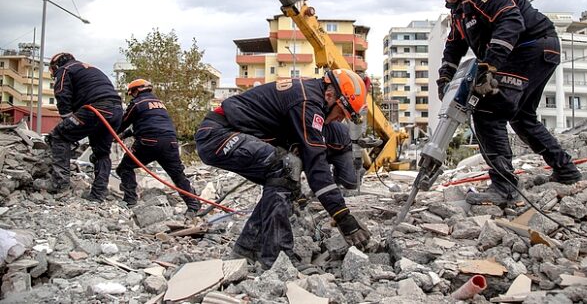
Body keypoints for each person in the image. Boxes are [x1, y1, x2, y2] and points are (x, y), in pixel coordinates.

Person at [418, 0, 582, 206]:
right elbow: (454, 46)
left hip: (532, 47)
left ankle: (504, 188)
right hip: (541, 50)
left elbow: (510, 19)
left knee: (487, 109)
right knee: (521, 116)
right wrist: (445, 78)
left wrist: (490, 65)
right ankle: (566, 171)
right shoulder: (459, 10)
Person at [195, 68, 370, 268]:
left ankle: (246, 250)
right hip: (217, 135)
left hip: (225, 134)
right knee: (285, 169)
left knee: (281, 178)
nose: (339, 120)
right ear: (330, 95)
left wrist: (296, 192)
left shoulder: (310, 96)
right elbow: (317, 166)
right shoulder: (308, 103)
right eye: (341, 113)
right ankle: (278, 259)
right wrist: (342, 216)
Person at [35, 53, 123, 202]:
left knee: (59, 135)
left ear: (56, 65)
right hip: (116, 110)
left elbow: (62, 96)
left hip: (96, 108)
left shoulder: (65, 70)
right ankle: (98, 194)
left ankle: (59, 183)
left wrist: (66, 124)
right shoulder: (90, 69)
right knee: (102, 153)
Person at [115, 79, 201, 217]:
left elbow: (123, 123)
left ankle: (130, 200)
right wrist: (125, 135)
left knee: (124, 168)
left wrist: (113, 133)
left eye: (132, 93)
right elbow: (149, 123)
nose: (132, 96)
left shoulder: (137, 103)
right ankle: (193, 206)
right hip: (170, 143)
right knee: (177, 175)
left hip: (148, 142)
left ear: (136, 91)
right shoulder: (160, 104)